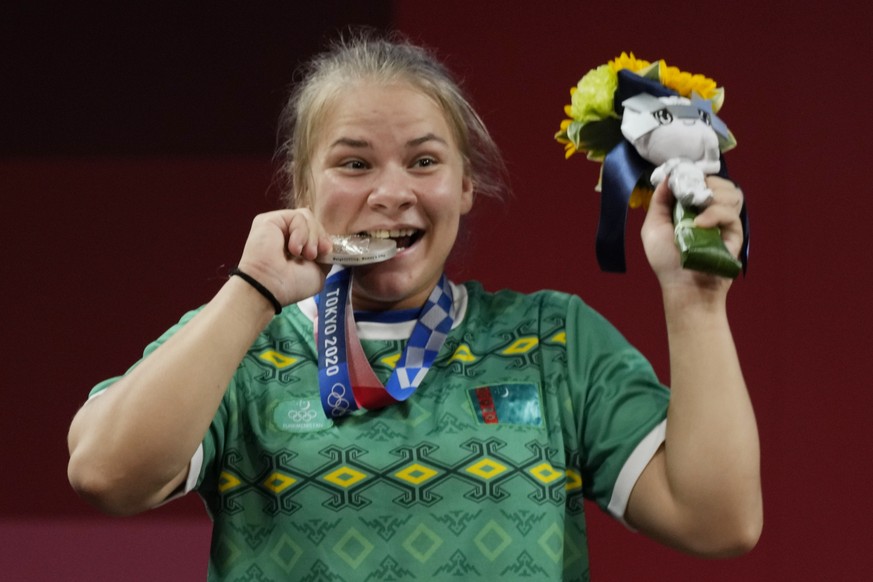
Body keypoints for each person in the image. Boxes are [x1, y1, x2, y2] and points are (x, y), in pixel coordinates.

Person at [67, 31, 762, 581]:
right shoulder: (244, 341)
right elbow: (105, 475)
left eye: (424, 162)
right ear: (301, 189)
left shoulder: (554, 341)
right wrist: (251, 293)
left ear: (465, 186)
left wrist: (694, 299)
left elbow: (716, 521)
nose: (391, 191)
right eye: (354, 163)